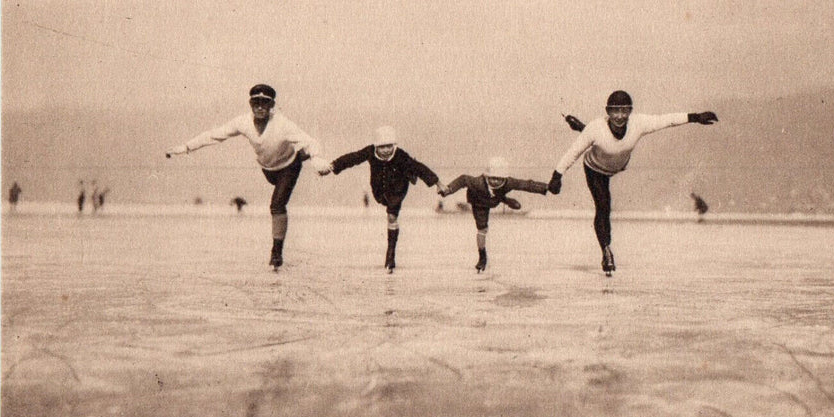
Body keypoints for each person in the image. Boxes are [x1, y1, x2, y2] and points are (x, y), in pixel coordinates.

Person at [166, 84, 331, 270]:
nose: (260, 107)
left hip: (288, 167)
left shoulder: (282, 124)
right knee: (277, 193)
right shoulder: (242, 122)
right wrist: (186, 147)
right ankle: (304, 154)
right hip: (268, 169)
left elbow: (310, 140)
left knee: (277, 204)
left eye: (265, 103)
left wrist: (316, 157)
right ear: (250, 104)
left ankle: (276, 252)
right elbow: (214, 135)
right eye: (256, 103)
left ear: (272, 105)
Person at [553, 90, 718, 276]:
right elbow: (573, 153)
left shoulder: (638, 123)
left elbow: (666, 120)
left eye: (625, 111)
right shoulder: (595, 128)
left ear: (631, 111)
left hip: (616, 163)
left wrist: (695, 117)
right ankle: (606, 250)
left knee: (601, 139)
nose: (620, 116)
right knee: (603, 206)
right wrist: (557, 176)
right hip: (595, 169)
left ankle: (582, 129)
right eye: (615, 111)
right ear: (607, 111)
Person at [320, 126, 446, 273]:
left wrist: (438, 183)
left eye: (389, 146)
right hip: (379, 189)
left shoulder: (400, 155)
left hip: (398, 188)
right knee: (385, 204)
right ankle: (390, 251)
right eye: (382, 147)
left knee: (392, 216)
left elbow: (419, 167)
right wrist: (332, 166)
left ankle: (390, 254)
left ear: (394, 145)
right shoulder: (370, 152)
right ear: (376, 146)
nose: (386, 150)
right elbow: (352, 158)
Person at [438, 157, 549, 272]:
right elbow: (463, 179)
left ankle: (502, 198)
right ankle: (482, 257)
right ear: (486, 176)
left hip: (494, 199)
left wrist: (547, 187)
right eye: (492, 178)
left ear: (504, 178)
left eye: (499, 179)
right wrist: (449, 189)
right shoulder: (477, 183)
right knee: (482, 229)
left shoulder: (509, 182)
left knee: (515, 205)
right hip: (479, 202)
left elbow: (526, 184)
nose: (495, 181)